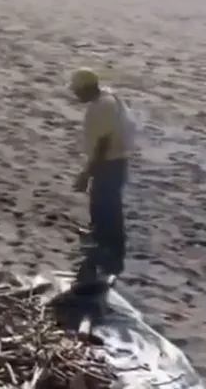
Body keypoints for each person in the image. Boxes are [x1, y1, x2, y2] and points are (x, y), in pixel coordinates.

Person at [69, 68, 135, 278]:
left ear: (88, 89)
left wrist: (86, 174)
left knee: (108, 206)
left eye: (78, 91)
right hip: (113, 160)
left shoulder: (102, 107)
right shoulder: (106, 97)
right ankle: (97, 236)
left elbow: (103, 145)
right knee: (99, 202)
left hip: (111, 162)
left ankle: (110, 250)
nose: (75, 95)